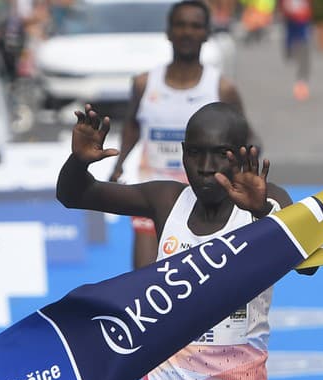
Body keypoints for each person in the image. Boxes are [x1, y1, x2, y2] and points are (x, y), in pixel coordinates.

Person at [58, 101, 311, 380]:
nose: (206, 167)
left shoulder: (268, 202)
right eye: (195, 153)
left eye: (220, 155)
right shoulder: (165, 201)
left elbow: (310, 265)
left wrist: (266, 214)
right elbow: (75, 195)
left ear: (241, 153)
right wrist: (78, 163)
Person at [107, 0, 254, 270]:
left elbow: (247, 138)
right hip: (151, 191)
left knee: (195, 283)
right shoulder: (144, 83)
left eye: (196, 26)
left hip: (202, 196)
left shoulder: (221, 88)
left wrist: (242, 176)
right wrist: (118, 165)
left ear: (207, 33)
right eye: (181, 25)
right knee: (144, 281)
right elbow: (132, 126)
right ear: (169, 32)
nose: (187, 32)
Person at [279, 0, 312, 101]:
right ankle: (300, 83)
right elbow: (284, 9)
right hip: (293, 28)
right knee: (294, 54)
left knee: (303, 56)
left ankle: (301, 84)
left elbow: (307, 11)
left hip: (301, 32)